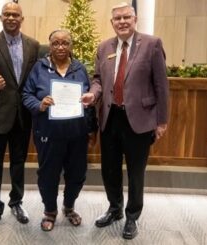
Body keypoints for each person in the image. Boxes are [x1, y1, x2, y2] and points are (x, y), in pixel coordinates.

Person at [81, 2, 169, 240]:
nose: (121, 22)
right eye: (117, 19)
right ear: (112, 23)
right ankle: (115, 208)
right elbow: (98, 79)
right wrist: (93, 93)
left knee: (135, 172)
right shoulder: (104, 47)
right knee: (109, 170)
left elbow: (162, 86)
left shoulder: (152, 44)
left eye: (126, 17)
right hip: (110, 118)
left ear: (135, 19)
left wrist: (161, 122)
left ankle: (132, 216)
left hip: (139, 120)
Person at [22, 29, 98, 232]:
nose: (60, 47)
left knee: (77, 174)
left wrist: (91, 129)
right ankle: (50, 211)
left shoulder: (79, 69)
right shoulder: (39, 68)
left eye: (65, 43)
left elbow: (89, 103)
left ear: (71, 45)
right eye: (56, 43)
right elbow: (27, 95)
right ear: (50, 45)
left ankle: (69, 206)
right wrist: (40, 104)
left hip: (77, 134)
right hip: (48, 133)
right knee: (48, 175)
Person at [0, 2, 39, 234]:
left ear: (22, 18)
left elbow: (34, 79)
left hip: (23, 116)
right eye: (7, 14)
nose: (12, 17)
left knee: (18, 162)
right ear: (1, 17)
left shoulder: (33, 45)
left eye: (16, 14)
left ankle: (16, 202)